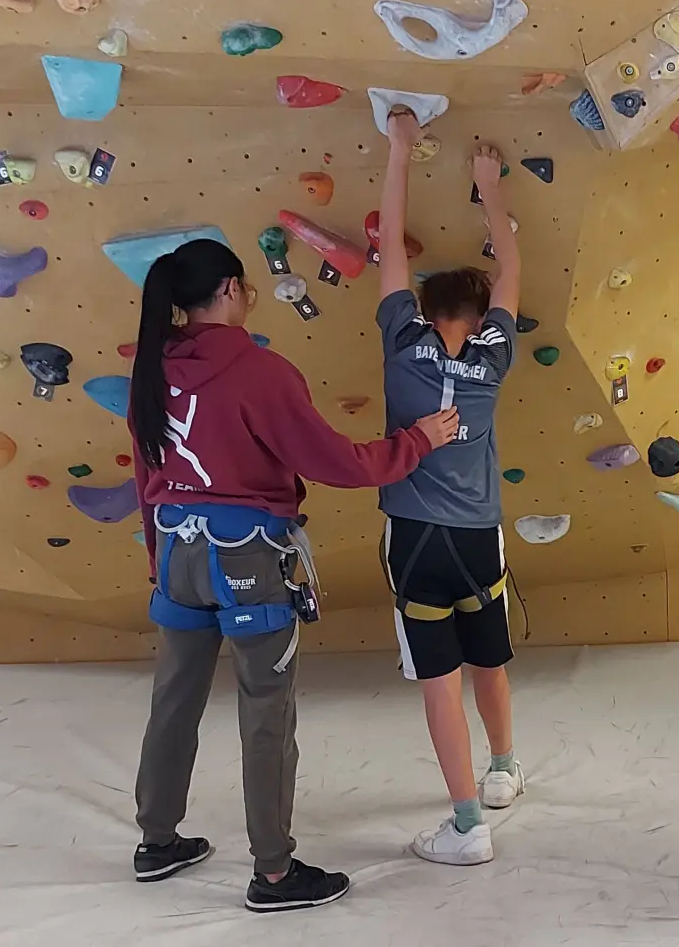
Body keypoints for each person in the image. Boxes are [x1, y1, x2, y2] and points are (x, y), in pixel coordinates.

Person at [126, 237, 459, 912]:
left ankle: (156, 842)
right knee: (266, 713)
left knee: (174, 700)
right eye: (245, 286)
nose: (249, 296)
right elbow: (338, 462)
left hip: (177, 553)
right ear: (227, 289)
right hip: (245, 555)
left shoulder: (153, 368)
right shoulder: (260, 372)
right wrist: (420, 440)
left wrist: (159, 564)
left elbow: (146, 473)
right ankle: (274, 874)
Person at [373, 107, 524, 867]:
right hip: (477, 538)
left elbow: (389, 243)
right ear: (481, 315)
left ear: (425, 313)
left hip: (415, 540)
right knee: (488, 658)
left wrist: (399, 149)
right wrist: (487, 186)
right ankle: (503, 769)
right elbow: (512, 271)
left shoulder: (402, 343)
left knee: (439, 680)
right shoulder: (496, 354)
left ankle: (467, 825)